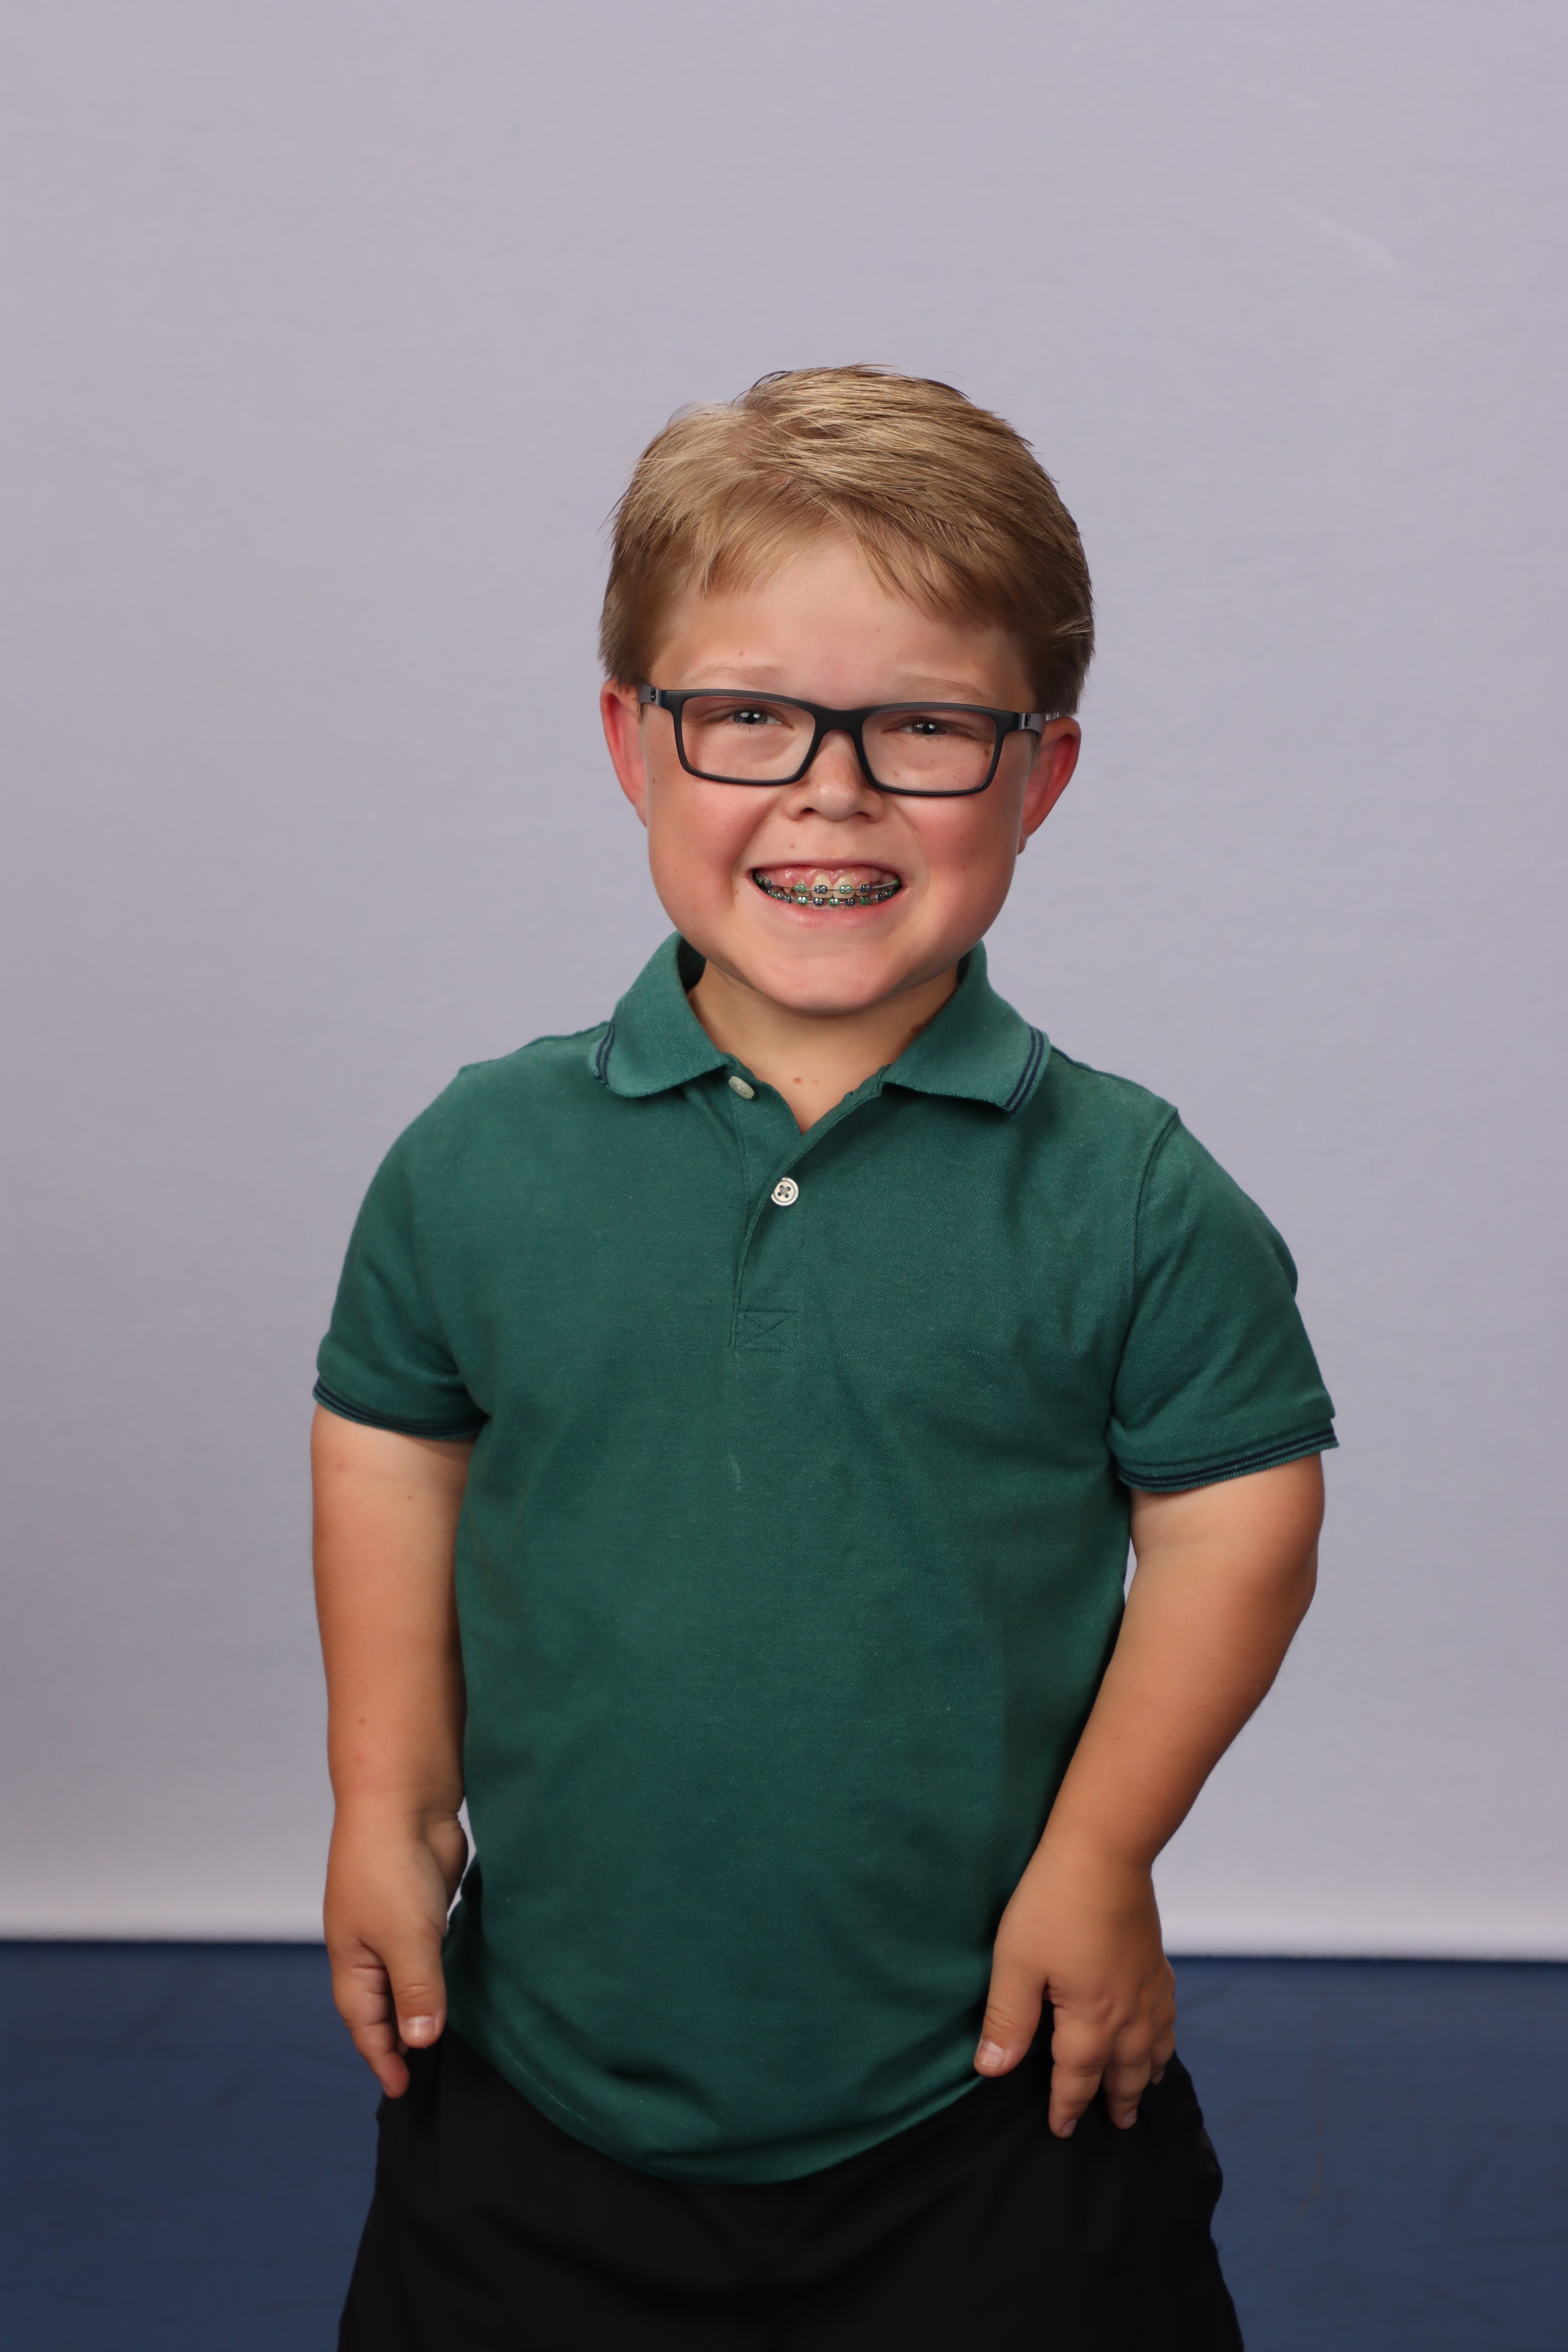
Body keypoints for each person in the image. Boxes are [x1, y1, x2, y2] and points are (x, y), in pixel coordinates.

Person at [313, 365, 1334, 2350]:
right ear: (633, 741)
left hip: (991, 2098)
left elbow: (1234, 1521)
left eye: (924, 728)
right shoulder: (476, 1159)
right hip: (539, 2094)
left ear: (1038, 773)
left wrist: (1103, 1857)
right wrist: (386, 1795)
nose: (829, 790)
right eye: (747, 716)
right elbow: (390, 1448)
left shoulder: (1129, 1191)